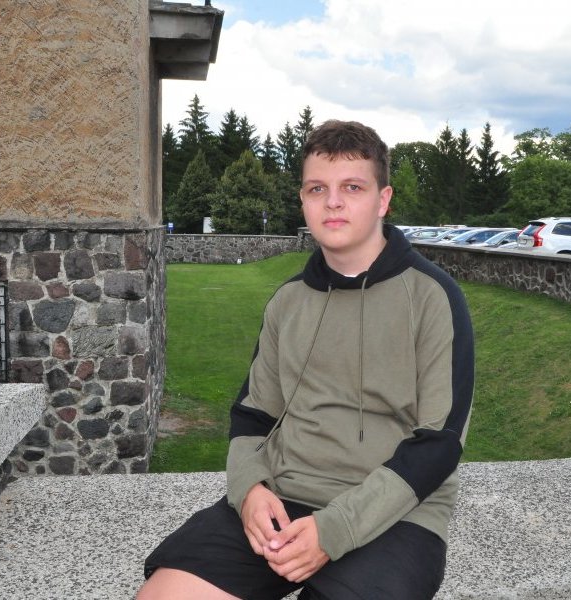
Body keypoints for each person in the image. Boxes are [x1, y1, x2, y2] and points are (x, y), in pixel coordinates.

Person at [138, 119, 475, 600]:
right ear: (303, 200)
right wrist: (249, 491)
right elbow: (253, 415)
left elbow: (439, 444)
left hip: (396, 512)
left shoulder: (433, 297)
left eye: (352, 187)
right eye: (318, 188)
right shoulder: (289, 300)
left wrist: (334, 530)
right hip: (285, 495)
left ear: (383, 200)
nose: (332, 202)